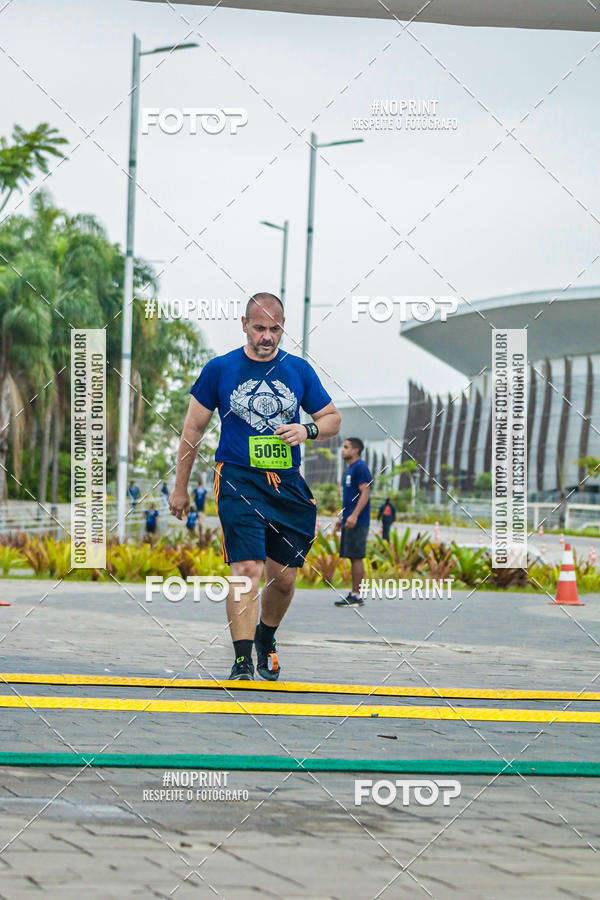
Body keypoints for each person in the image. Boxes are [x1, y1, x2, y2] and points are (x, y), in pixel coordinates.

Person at [168, 292, 341, 681]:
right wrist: (180, 489)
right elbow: (193, 430)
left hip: (288, 485)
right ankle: (242, 660)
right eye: (259, 327)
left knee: (284, 579)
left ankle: (266, 636)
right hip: (237, 478)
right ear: (244, 325)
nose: (267, 336)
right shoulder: (220, 369)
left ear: (283, 328)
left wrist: (307, 428)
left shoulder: (298, 370)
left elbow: (332, 418)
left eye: (274, 329)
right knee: (247, 567)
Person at [335, 437, 372, 607]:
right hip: (349, 519)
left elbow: (365, 492)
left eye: (346, 447)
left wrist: (355, 515)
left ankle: (357, 596)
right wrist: (342, 518)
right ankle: (353, 593)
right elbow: (350, 498)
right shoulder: (349, 469)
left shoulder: (360, 468)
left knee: (356, 557)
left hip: (358, 521)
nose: (342, 450)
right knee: (352, 556)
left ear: (356, 450)